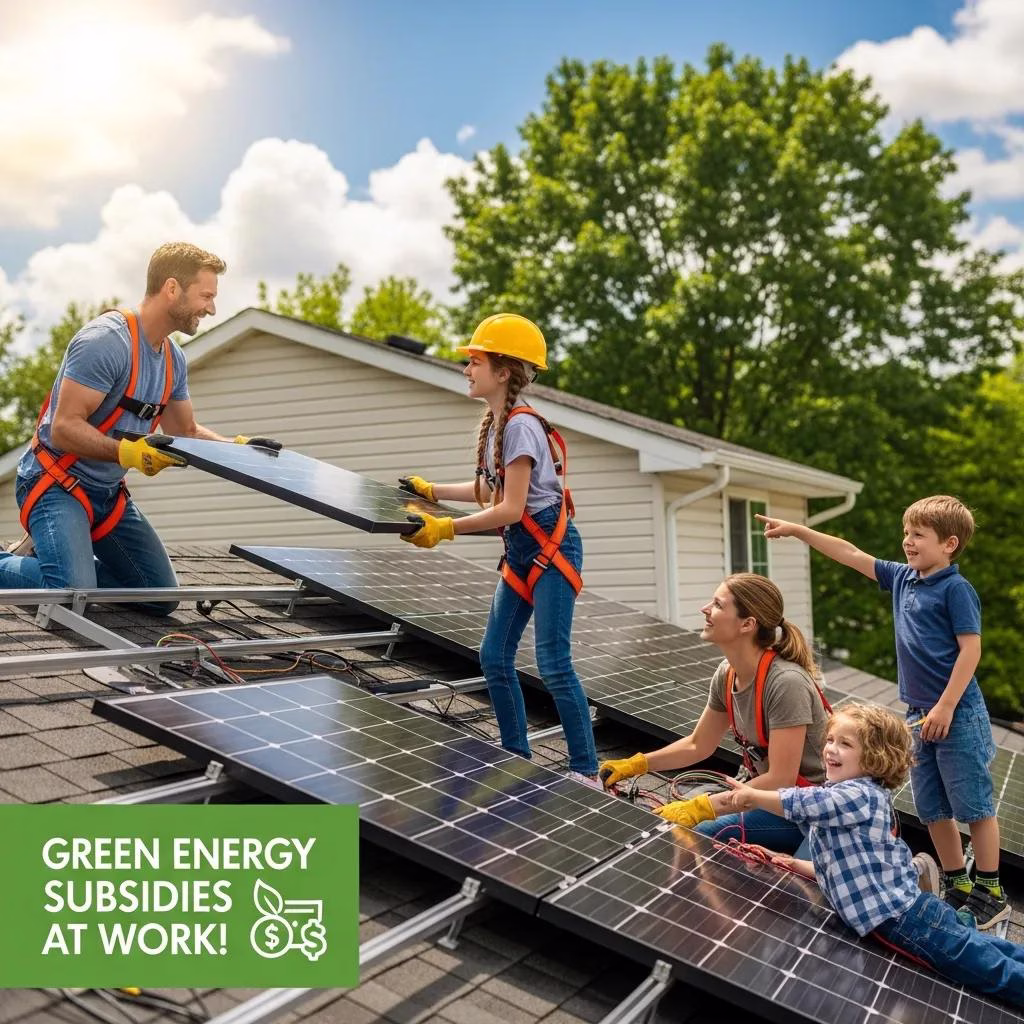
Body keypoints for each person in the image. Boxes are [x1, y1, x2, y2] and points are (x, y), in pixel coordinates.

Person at [757, 496, 1008, 929]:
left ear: (949, 544)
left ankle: (990, 889)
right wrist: (799, 531)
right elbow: (850, 552)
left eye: (918, 535)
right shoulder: (903, 578)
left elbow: (972, 650)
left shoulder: (955, 590)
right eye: (906, 533)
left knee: (974, 806)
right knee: (931, 807)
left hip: (957, 713)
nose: (908, 542)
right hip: (920, 713)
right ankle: (956, 882)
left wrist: (947, 705)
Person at [0, 242, 266, 616]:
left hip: (106, 493)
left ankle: (66, 569)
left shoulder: (173, 360)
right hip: (56, 483)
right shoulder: (106, 341)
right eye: (206, 295)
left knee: (159, 596)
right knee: (68, 594)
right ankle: (54, 573)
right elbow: (63, 428)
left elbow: (184, 430)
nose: (211, 308)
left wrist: (235, 447)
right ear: (172, 288)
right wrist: (127, 452)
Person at [397, 313, 599, 785]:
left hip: (552, 549)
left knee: (553, 663)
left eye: (475, 360)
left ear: (503, 371)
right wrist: (434, 492)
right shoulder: (497, 424)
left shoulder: (522, 427)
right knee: (494, 656)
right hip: (524, 551)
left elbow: (510, 510)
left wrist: (445, 529)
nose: (466, 369)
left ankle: (586, 770)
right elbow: (489, 492)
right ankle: (515, 754)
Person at [725, 704, 1024, 1007]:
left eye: (845, 744)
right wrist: (791, 862)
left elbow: (804, 802)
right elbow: (839, 867)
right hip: (910, 913)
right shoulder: (842, 796)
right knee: (990, 949)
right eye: (830, 739)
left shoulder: (859, 795)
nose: (831, 749)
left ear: (873, 758)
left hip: (907, 921)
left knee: (988, 971)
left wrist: (753, 797)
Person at [599, 573, 829, 851]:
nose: (705, 609)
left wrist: (704, 806)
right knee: (680, 822)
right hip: (764, 797)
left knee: (701, 832)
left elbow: (781, 779)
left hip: (808, 812)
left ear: (747, 624)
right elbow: (698, 744)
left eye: (718, 605)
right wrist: (636, 764)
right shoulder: (727, 673)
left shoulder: (785, 683)